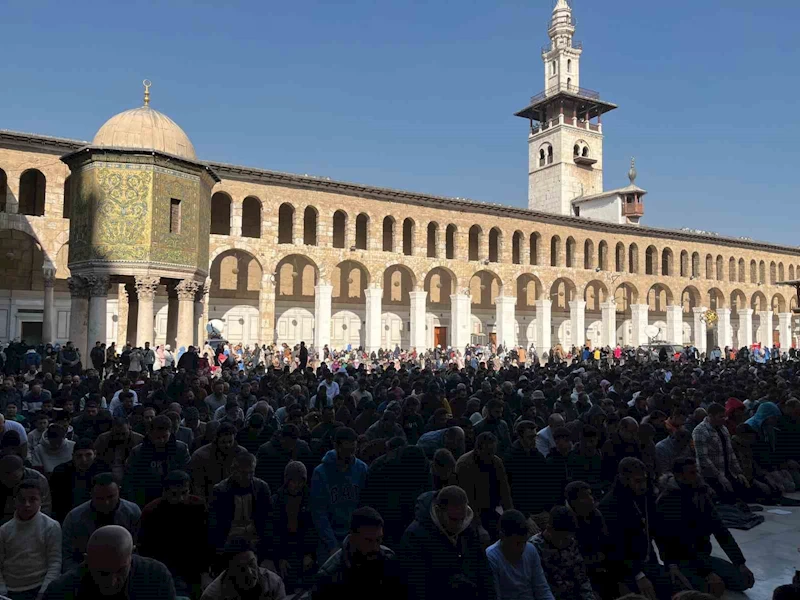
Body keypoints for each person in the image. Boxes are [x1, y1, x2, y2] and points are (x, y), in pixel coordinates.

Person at [654, 457, 754, 597]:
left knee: (744, 580)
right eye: (692, 473)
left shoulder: (700, 493)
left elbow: (720, 530)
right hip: (680, 560)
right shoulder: (667, 501)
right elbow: (682, 543)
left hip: (702, 556)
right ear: (679, 476)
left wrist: (740, 562)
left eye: (697, 471)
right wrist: (707, 573)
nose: (697, 476)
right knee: (710, 590)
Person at [399, 485, 496, 600]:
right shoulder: (415, 537)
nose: (459, 525)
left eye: (462, 519)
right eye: (454, 519)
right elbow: (417, 586)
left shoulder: (468, 530)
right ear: (438, 511)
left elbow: (484, 573)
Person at [598, 457, 671, 600]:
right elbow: (614, 548)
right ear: (624, 480)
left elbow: (660, 533)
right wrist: (638, 575)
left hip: (648, 562)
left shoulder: (646, 497)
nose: (643, 485)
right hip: (622, 570)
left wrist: (671, 562)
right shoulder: (610, 506)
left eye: (644, 480)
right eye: (637, 481)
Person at [44, 525, 176, 599]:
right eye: (103, 573)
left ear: (131, 555)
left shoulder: (156, 577)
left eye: (121, 571)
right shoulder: (62, 591)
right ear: (87, 561)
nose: (112, 581)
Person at [138, 470, 208, 598]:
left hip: (193, 564)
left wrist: (204, 571)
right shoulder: (151, 512)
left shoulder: (198, 507)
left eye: (184, 493)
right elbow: (147, 548)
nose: (181, 498)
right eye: (174, 494)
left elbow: (204, 541)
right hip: (164, 565)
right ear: (165, 492)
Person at [311, 506, 405, 600]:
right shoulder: (330, 575)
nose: (375, 548)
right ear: (353, 538)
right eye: (368, 541)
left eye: (378, 540)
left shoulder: (389, 561)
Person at [61, 473, 141, 573]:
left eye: (111, 497)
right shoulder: (74, 518)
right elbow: (67, 556)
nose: (106, 502)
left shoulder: (132, 512)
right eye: (100, 498)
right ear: (91, 494)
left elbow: (139, 549)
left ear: (119, 491)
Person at [310, 427, 368, 561]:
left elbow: (364, 505)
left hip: (355, 534)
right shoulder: (321, 473)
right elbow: (319, 512)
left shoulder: (362, 469)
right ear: (336, 446)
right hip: (329, 536)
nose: (350, 455)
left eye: (353, 451)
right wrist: (332, 545)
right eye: (346, 451)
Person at [0, 479, 61, 600]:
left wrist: (44, 591)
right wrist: (3, 591)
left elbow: (55, 562)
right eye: (22, 500)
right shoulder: (4, 530)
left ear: (41, 501)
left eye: (32, 499)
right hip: (10, 590)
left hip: (39, 587)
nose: (27, 504)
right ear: (15, 501)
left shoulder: (51, 526)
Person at [208, 452, 273, 567]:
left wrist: (268, 555)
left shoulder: (262, 488)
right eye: (243, 473)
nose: (248, 477)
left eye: (251, 473)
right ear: (233, 471)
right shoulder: (220, 491)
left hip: (256, 543)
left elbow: (268, 523)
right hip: (229, 545)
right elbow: (215, 528)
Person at [268, 461, 316, 593]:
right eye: (293, 482)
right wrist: (280, 557)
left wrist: (309, 553)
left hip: (303, 546)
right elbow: (274, 532)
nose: (297, 486)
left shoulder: (309, 499)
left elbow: (311, 528)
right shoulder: (276, 501)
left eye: (300, 482)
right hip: (285, 547)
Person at [122, 415, 191, 508]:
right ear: (150, 434)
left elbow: (187, 473)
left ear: (170, 433)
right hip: (145, 495)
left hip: (176, 495)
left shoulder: (181, 449)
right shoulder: (138, 452)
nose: (161, 440)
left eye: (164, 436)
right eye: (157, 437)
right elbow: (130, 478)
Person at [486, 509, 555, 600]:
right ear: (502, 537)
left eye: (524, 543)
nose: (522, 548)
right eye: (517, 543)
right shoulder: (491, 557)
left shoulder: (530, 550)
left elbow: (542, 589)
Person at [456, 431, 513, 541]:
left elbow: (505, 491)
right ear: (478, 449)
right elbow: (468, 499)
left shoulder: (496, 462)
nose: (491, 456)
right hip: (470, 513)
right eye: (488, 453)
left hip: (491, 509)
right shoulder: (465, 465)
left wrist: (510, 515)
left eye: (493, 452)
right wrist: (478, 526)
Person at [529, 506, 595, 600]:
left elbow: (582, 579)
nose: (566, 542)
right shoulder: (533, 548)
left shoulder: (571, 543)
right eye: (562, 538)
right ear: (550, 529)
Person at [692, 403, 748, 503]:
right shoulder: (700, 431)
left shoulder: (723, 429)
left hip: (727, 471)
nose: (724, 419)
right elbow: (703, 458)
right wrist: (719, 476)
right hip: (711, 475)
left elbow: (730, 452)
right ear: (710, 416)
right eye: (720, 416)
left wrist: (738, 472)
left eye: (724, 416)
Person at [201, 536, 285, 600]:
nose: (249, 573)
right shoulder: (212, 596)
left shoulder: (274, 583)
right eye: (241, 568)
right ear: (229, 571)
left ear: (256, 558)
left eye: (251, 564)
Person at [49, 438, 107, 523]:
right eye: (79, 456)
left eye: (88, 455)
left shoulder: (103, 470)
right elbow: (56, 503)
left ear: (95, 454)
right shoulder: (60, 472)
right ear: (73, 456)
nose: (84, 460)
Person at [190, 422, 248, 501]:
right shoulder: (201, 456)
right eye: (223, 442)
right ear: (216, 439)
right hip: (211, 498)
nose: (227, 445)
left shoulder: (242, 453)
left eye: (230, 441)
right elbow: (197, 484)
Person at [0, 456, 51, 525]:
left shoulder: (38, 478)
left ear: (23, 469)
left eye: (14, 477)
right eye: (5, 477)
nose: (9, 480)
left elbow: (45, 505)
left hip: (34, 518)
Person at [93, 417, 143, 483]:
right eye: (117, 434)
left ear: (129, 428)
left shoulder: (139, 440)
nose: (121, 437)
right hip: (107, 475)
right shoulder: (102, 439)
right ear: (111, 430)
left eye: (124, 434)